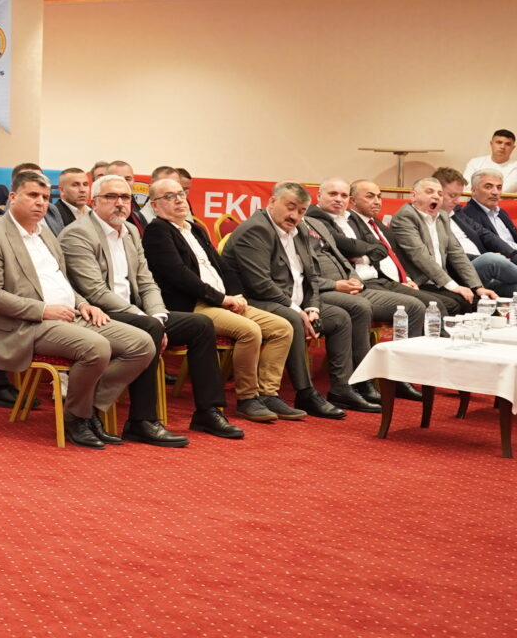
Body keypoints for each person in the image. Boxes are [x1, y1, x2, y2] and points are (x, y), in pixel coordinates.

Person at [0, 171, 158, 449]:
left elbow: (62, 282)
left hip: (69, 314)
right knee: (97, 347)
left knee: (142, 344)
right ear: (13, 197)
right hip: (24, 324)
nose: (40, 203)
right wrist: (44, 310)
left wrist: (83, 304)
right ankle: (77, 418)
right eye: (33, 195)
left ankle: (87, 408)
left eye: (45, 197)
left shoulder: (45, 233)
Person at [56, 176, 215, 443]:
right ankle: (142, 420)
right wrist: (144, 317)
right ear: (94, 202)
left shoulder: (130, 230)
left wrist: (158, 315)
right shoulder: (78, 234)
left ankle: (208, 412)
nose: (120, 203)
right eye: (111, 197)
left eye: (125, 197)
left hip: (135, 312)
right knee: (149, 328)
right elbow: (95, 291)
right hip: (98, 314)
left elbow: (146, 281)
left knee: (200, 325)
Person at [141, 177, 299, 424]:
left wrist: (237, 295)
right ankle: (247, 398)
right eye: (169, 197)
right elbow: (180, 276)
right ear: (155, 205)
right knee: (249, 331)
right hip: (194, 305)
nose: (179, 200)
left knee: (282, 328)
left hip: (222, 300)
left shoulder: (195, 229)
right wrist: (222, 299)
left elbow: (223, 266)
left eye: (181, 194)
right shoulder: (157, 231)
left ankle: (268, 393)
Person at [220, 184, 351, 421]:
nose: (295, 216)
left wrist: (312, 307)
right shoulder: (255, 230)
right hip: (254, 301)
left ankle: (342, 388)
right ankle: (305, 392)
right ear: (272, 202)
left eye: (301, 211)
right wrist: (297, 310)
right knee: (291, 319)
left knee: (339, 317)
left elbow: (311, 275)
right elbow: (260, 284)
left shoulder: (300, 230)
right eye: (290, 207)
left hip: (293, 302)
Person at [296, 179, 424, 410]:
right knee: (358, 308)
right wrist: (335, 284)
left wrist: (353, 278)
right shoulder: (300, 225)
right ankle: (362, 381)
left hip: (352, 284)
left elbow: (340, 257)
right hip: (323, 290)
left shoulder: (317, 224)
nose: (339, 199)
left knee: (415, 306)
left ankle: (399, 376)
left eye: (343, 195)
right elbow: (302, 272)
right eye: (333, 194)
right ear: (318, 196)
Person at [334, 180, 459, 327]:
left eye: (379, 196)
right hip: (373, 281)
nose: (377, 202)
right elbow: (359, 253)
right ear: (353, 200)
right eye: (370, 196)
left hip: (394, 281)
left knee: (452, 303)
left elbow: (391, 255)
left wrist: (406, 278)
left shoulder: (376, 223)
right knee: (432, 305)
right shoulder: (349, 222)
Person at [387, 178, 494, 312]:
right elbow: (421, 256)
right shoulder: (405, 217)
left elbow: (457, 253)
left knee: (482, 302)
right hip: (418, 282)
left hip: (440, 281)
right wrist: (454, 287)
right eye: (429, 192)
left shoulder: (442, 216)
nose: (436, 196)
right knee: (457, 305)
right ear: (413, 196)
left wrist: (477, 287)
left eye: (440, 194)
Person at [455, 170, 517, 293]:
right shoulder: (468, 214)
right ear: (473, 190)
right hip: (499, 268)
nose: (495, 192)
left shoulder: (501, 213)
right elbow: (487, 245)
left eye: (499, 187)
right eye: (488, 187)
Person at [464, 129, 517, 195]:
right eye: (499, 142)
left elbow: (503, 191)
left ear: (513, 148)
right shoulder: (475, 163)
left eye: (508, 144)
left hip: (503, 202)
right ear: (491, 144)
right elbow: (465, 186)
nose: (502, 147)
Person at [44, 168, 89, 232]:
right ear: (62, 190)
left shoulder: (94, 212)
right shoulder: (52, 215)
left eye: (85, 184)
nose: (82, 190)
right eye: (75, 185)